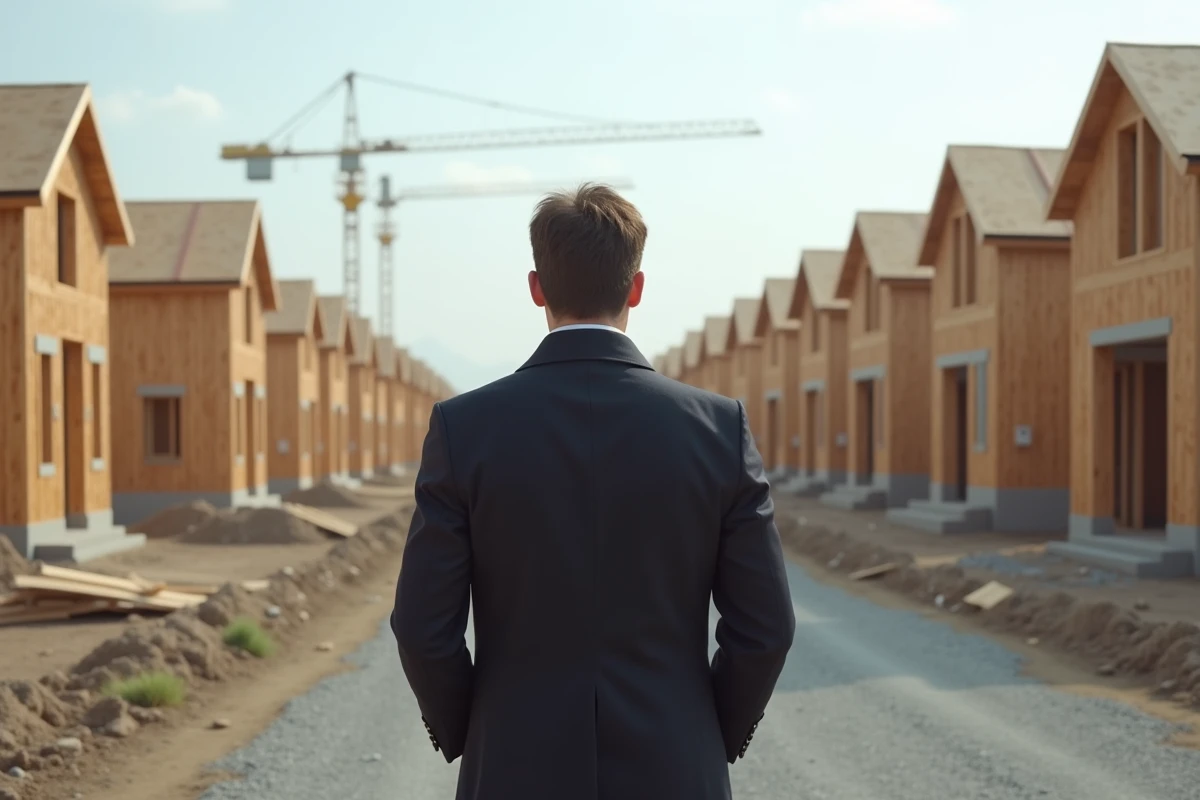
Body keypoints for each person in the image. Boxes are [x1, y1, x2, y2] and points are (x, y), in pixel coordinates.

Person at [391, 183, 796, 800]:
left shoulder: (463, 428)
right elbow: (766, 626)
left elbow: (423, 627)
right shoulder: (718, 429)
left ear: (536, 289)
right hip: (677, 766)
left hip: (511, 766)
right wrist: (706, 731)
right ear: (636, 288)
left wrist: (473, 730)